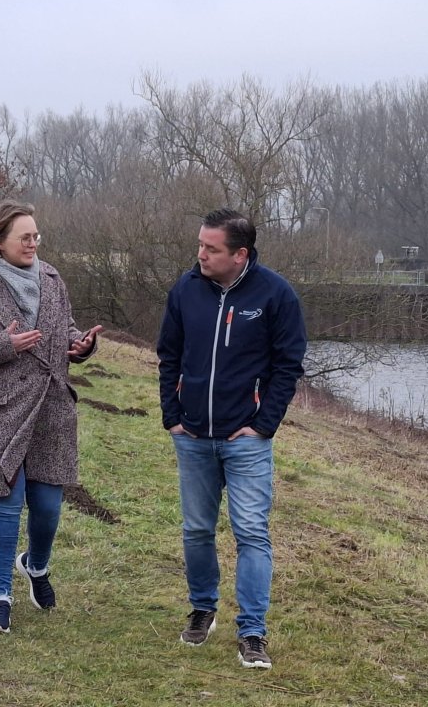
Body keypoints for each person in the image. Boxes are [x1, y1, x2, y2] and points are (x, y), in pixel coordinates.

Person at [157, 207, 306, 669]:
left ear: (240, 254)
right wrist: (172, 416)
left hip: (246, 440)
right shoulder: (185, 289)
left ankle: (253, 633)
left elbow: (288, 365)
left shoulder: (276, 294)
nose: (200, 254)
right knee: (197, 530)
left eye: (211, 248)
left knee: (251, 533)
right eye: (200, 244)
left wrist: (264, 425)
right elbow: (168, 355)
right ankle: (203, 608)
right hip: (193, 436)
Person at [0, 200, 103, 634]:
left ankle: (36, 566)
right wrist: (2, 346)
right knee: (8, 505)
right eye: (25, 237)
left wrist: (82, 346)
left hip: (51, 408)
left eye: (36, 236)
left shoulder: (52, 278)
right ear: (0, 240)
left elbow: (65, 331)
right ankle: (0, 599)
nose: (33, 243)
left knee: (48, 507)